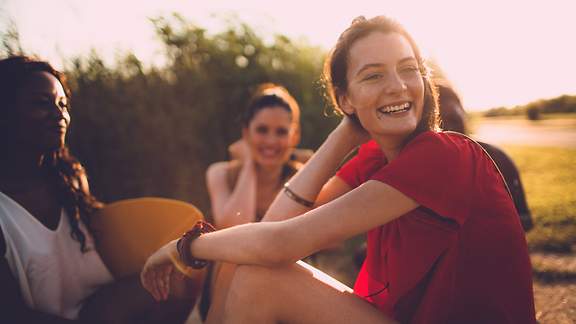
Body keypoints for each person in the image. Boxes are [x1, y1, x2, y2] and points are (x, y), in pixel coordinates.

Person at [142, 16, 536, 323]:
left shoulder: (445, 155)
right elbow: (277, 226)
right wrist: (343, 136)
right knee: (252, 269)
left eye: (409, 68)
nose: (398, 86)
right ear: (345, 98)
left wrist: (184, 246)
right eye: (374, 75)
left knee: (259, 276)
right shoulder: (377, 159)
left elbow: (280, 243)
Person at [0, 56, 194, 323]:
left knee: (177, 282)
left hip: (96, 308)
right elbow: (10, 314)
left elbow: (107, 235)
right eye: (42, 104)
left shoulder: (69, 177)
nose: (59, 115)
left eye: (62, 104)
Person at [201, 83, 304, 318]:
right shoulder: (220, 173)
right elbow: (235, 226)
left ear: (294, 136)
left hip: (282, 284)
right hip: (224, 291)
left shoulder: (300, 177)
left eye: (281, 132)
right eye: (262, 130)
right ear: (246, 133)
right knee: (239, 251)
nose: (270, 141)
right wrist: (249, 164)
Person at [436, 81, 533, 231]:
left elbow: (525, 220)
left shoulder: (497, 158)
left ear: (464, 114)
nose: (451, 131)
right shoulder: (423, 171)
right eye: (441, 126)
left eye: (455, 120)